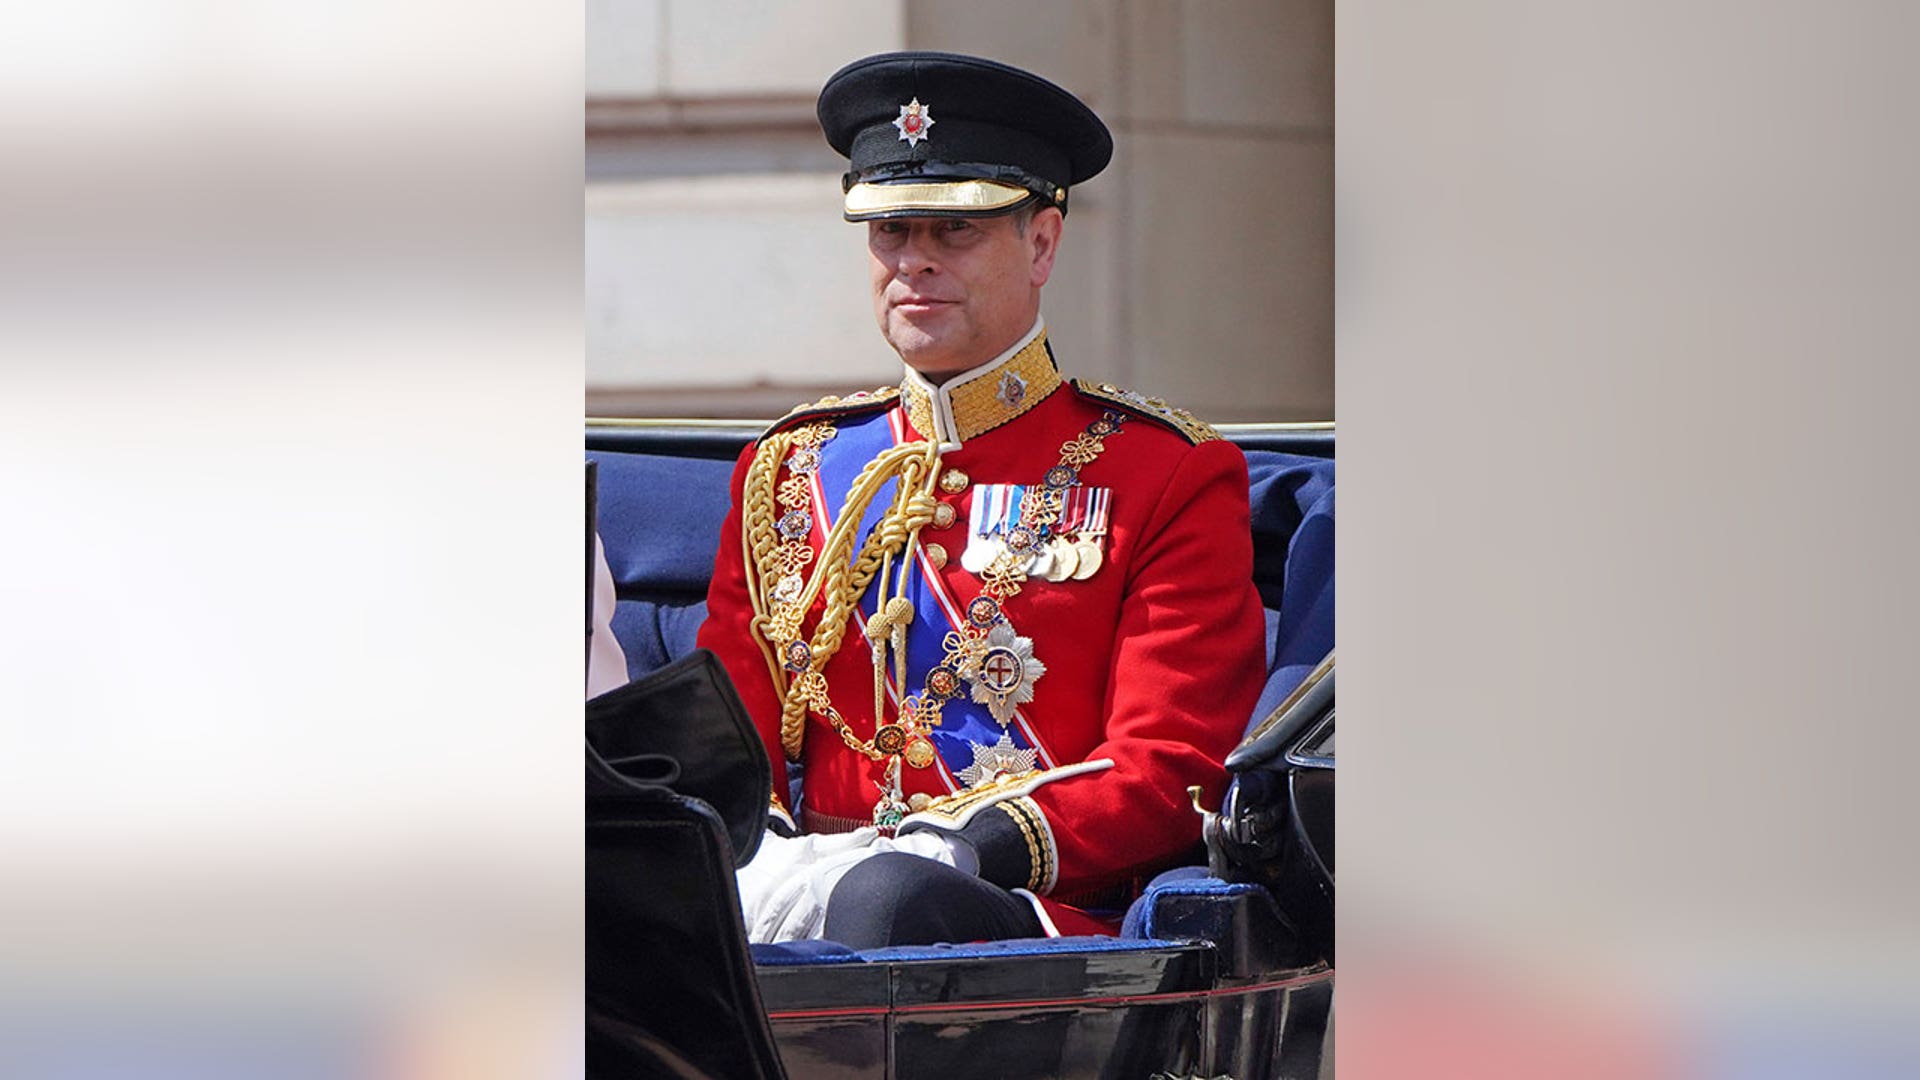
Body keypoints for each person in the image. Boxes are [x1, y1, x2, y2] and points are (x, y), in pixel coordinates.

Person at [697, 51, 1267, 947]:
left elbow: (1172, 764)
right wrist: (753, 843)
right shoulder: (795, 465)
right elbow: (732, 728)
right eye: (891, 234)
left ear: (1041, 244)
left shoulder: (1163, 471)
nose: (913, 264)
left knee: (888, 901)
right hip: (801, 914)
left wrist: (971, 843)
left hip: (1022, 920)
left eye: (953, 233)